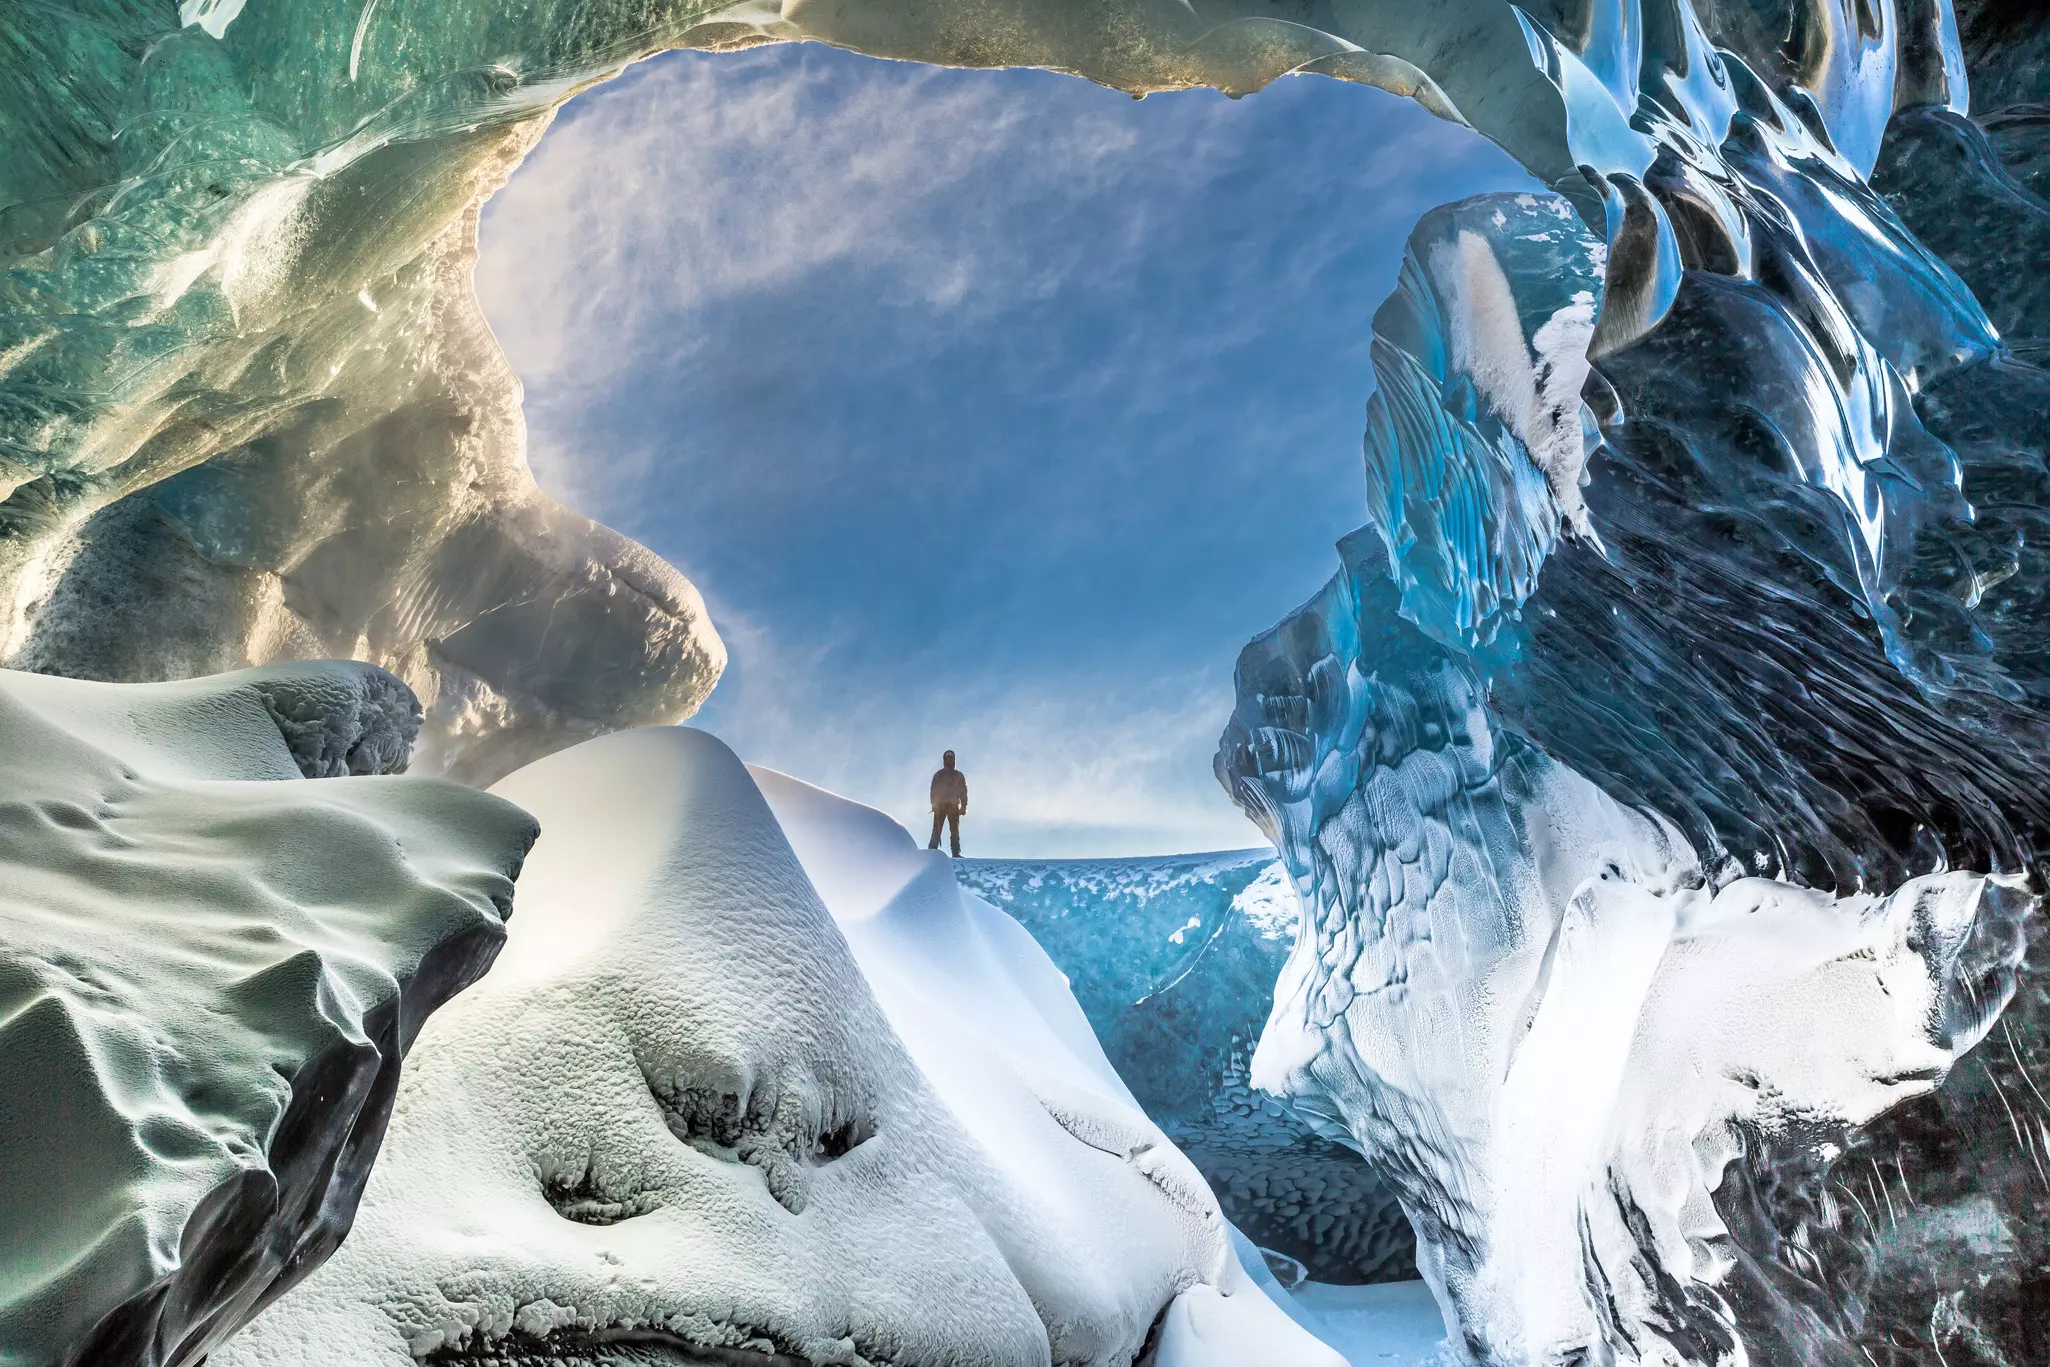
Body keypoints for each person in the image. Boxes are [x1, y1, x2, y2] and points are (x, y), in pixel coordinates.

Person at [928, 750, 968, 856]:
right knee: (937, 830)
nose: (949, 760)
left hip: (953, 806)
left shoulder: (959, 775)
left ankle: (955, 853)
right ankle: (932, 852)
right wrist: (934, 804)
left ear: (954, 759)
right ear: (944, 759)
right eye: (947, 758)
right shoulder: (939, 775)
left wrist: (964, 806)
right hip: (940, 806)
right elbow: (933, 790)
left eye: (951, 758)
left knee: (954, 831)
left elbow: (963, 791)